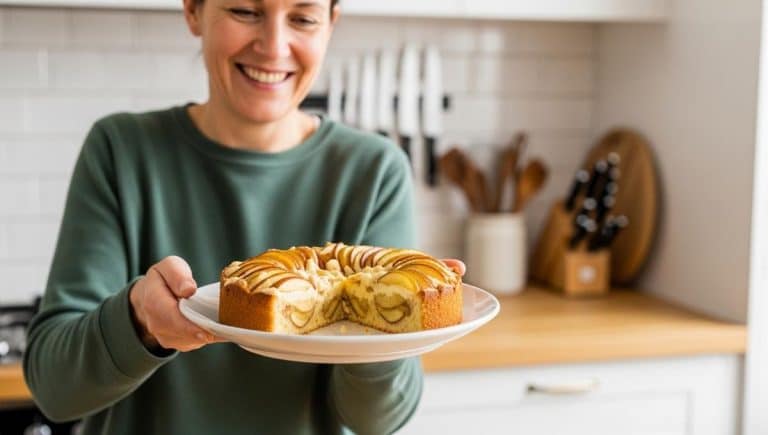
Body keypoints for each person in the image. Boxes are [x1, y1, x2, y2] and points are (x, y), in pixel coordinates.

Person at [23, 0, 466, 434]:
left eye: (303, 18)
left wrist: (391, 321)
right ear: (193, 10)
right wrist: (139, 321)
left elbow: (378, 420)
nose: (274, 47)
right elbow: (55, 391)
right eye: (245, 11)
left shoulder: (373, 172)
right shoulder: (120, 152)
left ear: (331, 23)